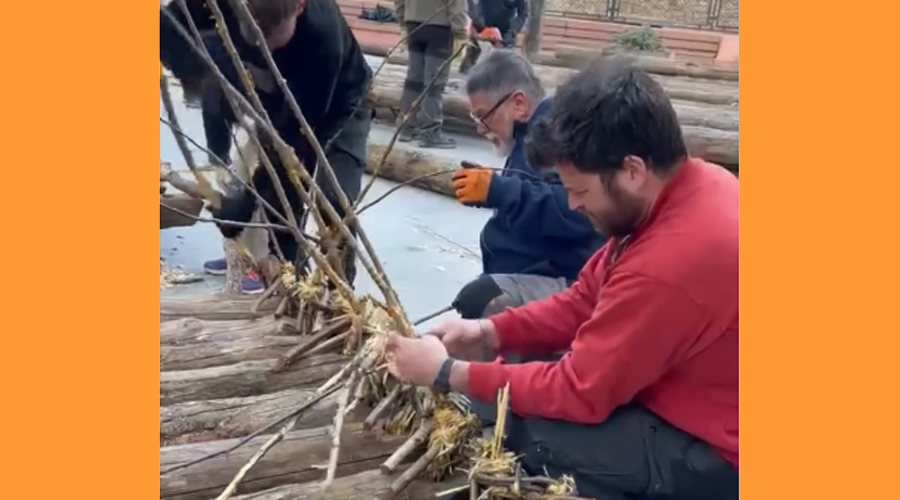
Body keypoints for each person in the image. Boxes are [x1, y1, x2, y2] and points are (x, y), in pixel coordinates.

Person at [385, 56, 739, 500]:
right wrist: (487, 332)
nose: (572, 205)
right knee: (510, 373)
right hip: (684, 400)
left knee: (523, 428)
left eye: (579, 191)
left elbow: (579, 392)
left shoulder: (672, 259)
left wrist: (445, 372)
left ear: (632, 170)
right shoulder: (688, 186)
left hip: (715, 453)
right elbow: (583, 298)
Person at [160, 0, 373, 293]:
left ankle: (338, 293)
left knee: (335, 203)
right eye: (255, 33)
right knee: (280, 211)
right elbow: (166, 26)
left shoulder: (322, 37)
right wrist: (196, 73)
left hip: (339, 105)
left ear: (299, 6)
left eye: (272, 38)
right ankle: (289, 282)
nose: (265, 47)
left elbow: (297, 141)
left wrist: (245, 202)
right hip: (272, 96)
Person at [449, 50, 604, 330]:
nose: (480, 129)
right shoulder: (527, 136)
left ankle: (509, 373)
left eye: (483, 116)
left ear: (518, 103)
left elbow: (577, 212)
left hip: (571, 279)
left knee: (487, 297)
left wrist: (499, 190)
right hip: (537, 270)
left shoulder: (557, 134)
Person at [394, 0, 469, 148]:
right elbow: (457, 4)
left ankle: (406, 127)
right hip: (439, 27)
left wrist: (402, 21)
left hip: (413, 24)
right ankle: (430, 132)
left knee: (413, 80)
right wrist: (461, 33)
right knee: (434, 83)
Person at [459, 0, 528, 75]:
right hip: (482, 26)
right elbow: (471, 3)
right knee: (472, 65)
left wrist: (513, 31)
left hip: (505, 31)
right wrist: (478, 21)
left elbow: (522, 14)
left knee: (506, 66)